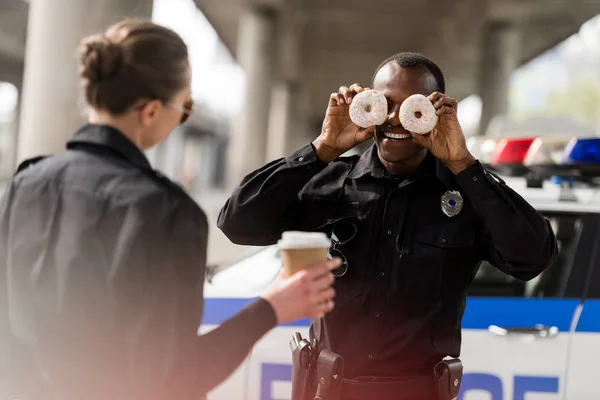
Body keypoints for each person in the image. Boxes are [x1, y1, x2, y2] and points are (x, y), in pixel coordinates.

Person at [0, 20, 338, 400]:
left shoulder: (25, 184)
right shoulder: (164, 211)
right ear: (150, 111)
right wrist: (272, 307)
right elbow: (176, 375)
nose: (182, 118)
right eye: (186, 105)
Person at [217, 52, 558, 400]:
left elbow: (533, 258)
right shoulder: (329, 182)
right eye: (385, 103)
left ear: (434, 112)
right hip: (327, 389)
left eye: (412, 107)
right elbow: (238, 223)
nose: (396, 119)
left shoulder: (466, 194)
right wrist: (321, 148)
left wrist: (464, 164)